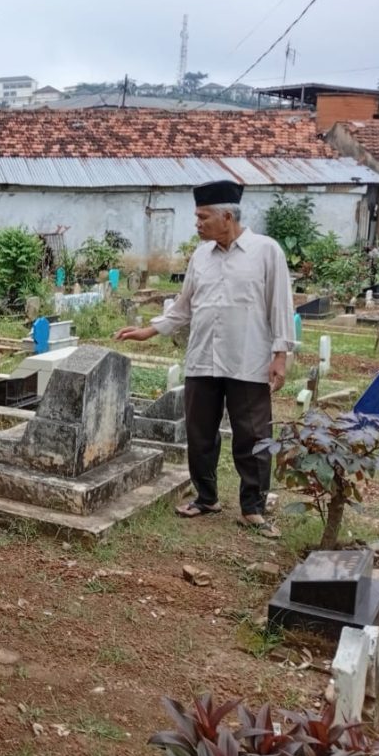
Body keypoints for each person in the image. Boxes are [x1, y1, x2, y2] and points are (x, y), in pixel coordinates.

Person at [114, 179, 294, 536]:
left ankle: (253, 507)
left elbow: (281, 306)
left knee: (253, 435)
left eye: (203, 217)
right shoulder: (200, 256)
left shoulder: (266, 251)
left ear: (227, 216)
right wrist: (149, 330)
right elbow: (183, 308)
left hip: (248, 360)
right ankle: (206, 496)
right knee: (200, 433)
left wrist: (280, 355)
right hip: (202, 360)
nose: (197, 224)